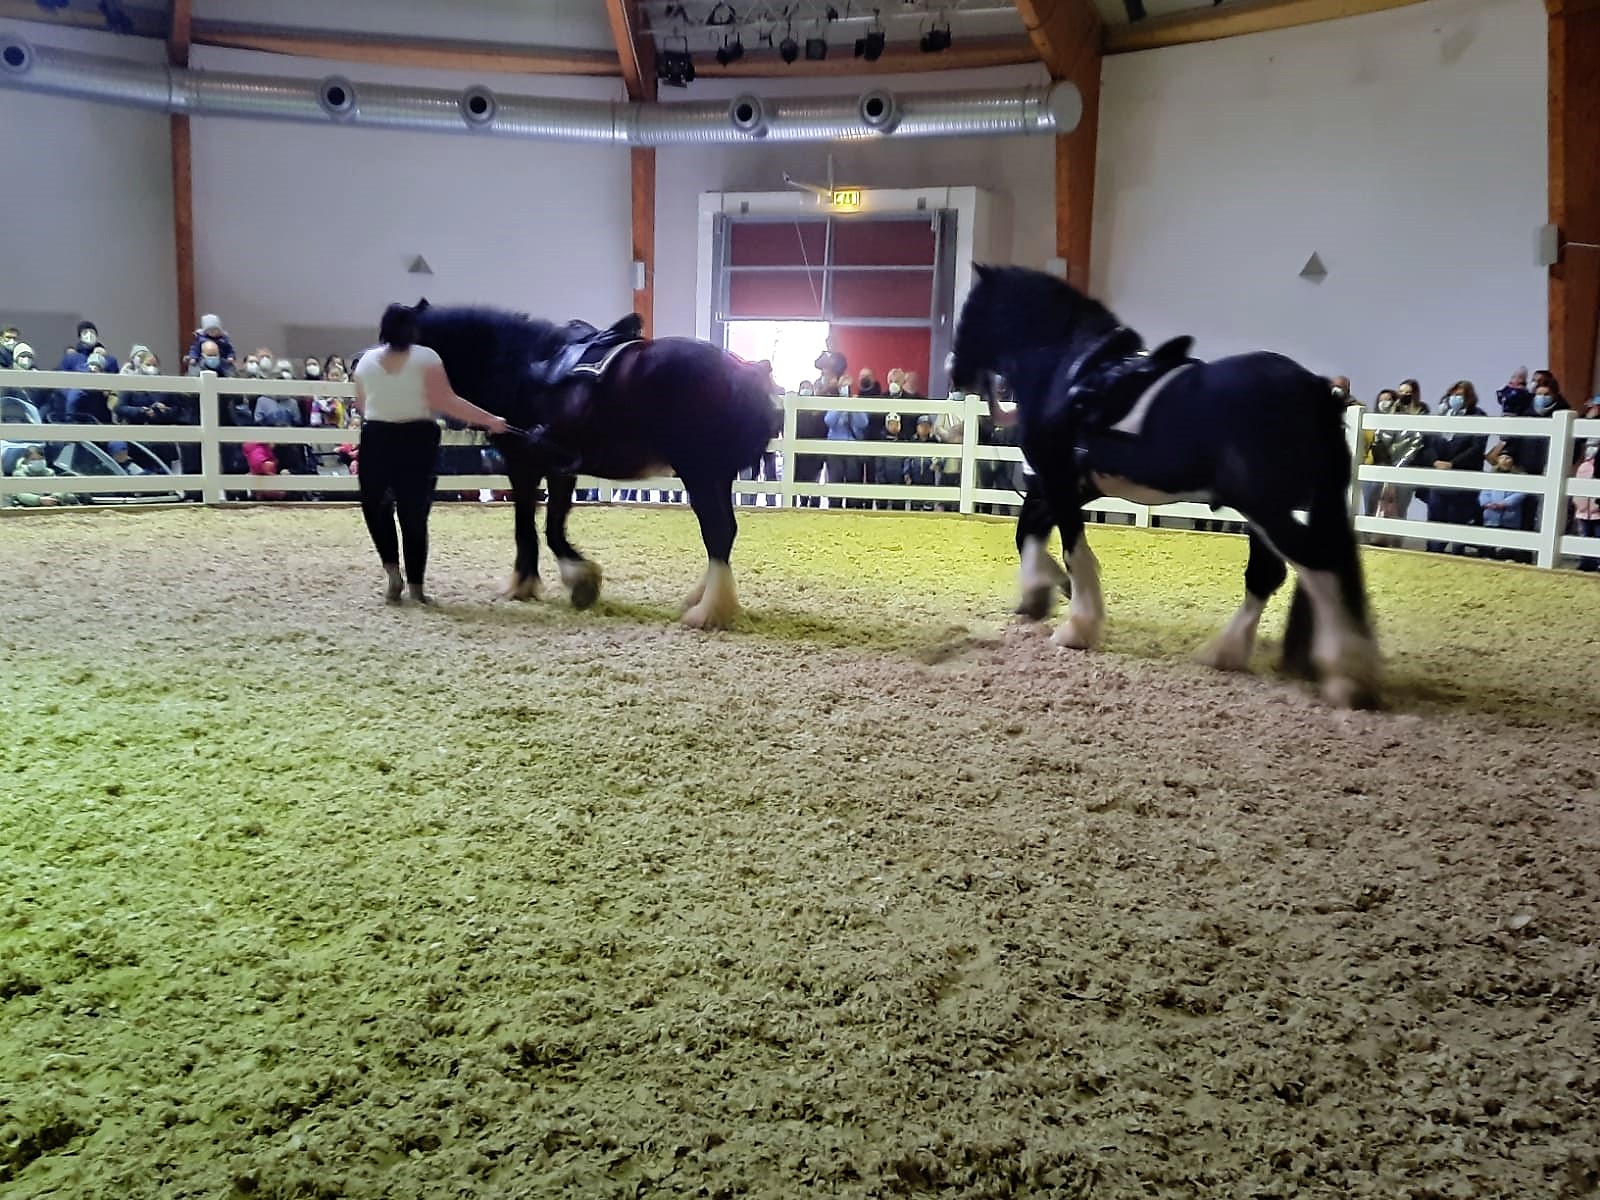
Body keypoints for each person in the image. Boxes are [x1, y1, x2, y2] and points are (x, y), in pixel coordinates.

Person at [351, 300, 509, 605]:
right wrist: (490, 420)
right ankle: (416, 586)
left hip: (376, 437)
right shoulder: (426, 358)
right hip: (416, 438)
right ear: (413, 330)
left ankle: (392, 572)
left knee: (376, 508)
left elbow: (361, 405)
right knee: (413, 513)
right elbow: (447, 401)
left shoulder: (365, 362)